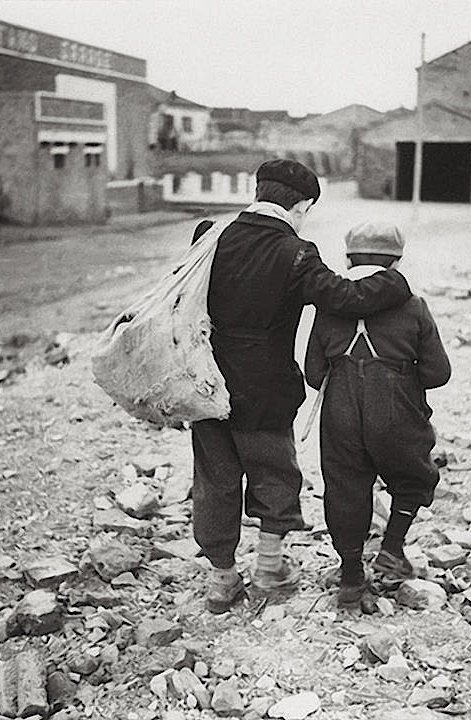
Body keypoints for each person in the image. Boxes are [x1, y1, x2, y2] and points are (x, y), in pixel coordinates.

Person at [191, 159, 413, 613]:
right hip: (264, 388)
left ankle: (221, 581)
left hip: (203, 380)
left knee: (214, 479)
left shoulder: (210, 235)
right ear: (302, 204)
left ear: (258, 192)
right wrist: (394, 283)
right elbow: (343, 297)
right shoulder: (296, 252)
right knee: (274, 472)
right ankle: (269, 568)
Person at [304, 220, 451, 608]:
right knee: (412, 475)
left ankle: (351, 578)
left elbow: (313, 373)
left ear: (349, 258)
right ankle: (392, 549)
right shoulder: (413, 305)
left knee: (346, 487)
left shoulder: (328, 305)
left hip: (341, 408)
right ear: (397, 262)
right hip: (397, 405)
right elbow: (439, 373)